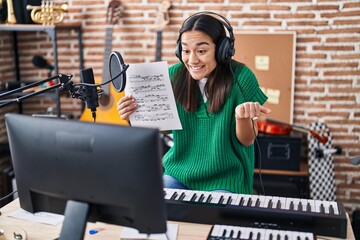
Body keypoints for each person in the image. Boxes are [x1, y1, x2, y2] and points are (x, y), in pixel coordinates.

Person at [117, 12, 271, 194]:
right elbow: (163, 128)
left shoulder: (242, 78)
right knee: (149, 204)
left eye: (201, 51)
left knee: (212, 219)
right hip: (179, 174)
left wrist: (242, 118)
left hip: (225, 180)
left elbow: (247, 140)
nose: (192, 60)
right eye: (186, 50)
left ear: (223, 50)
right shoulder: (173, 75)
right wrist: (133, 115)